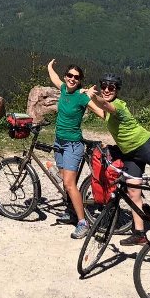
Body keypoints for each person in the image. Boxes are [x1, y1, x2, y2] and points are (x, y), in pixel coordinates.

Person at [89, 73, 150, 247]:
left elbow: (103, 104)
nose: (106, 90)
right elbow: (97, 108)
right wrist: (79, 95)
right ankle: (139, 234)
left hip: (146, 145)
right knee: (133, 192)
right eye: (103, 86)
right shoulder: (107, 112)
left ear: (117, 90)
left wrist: (93, 95)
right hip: (130, 154)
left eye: (111, 87)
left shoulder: (117, 105)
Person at [46, 59, 97, 239]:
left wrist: (95, 97)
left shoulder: (82, 97)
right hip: (59, 142)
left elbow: (100, 112)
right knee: (61, 177)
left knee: (69, 183)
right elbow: (54, 79)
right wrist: (50, 67)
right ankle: (71, 211)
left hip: (73, 145)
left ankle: (83, 223)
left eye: (76, 77)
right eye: (69, 75)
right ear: (66, 76)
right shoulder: (63, 89)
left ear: (80, 80)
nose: (72, 79)